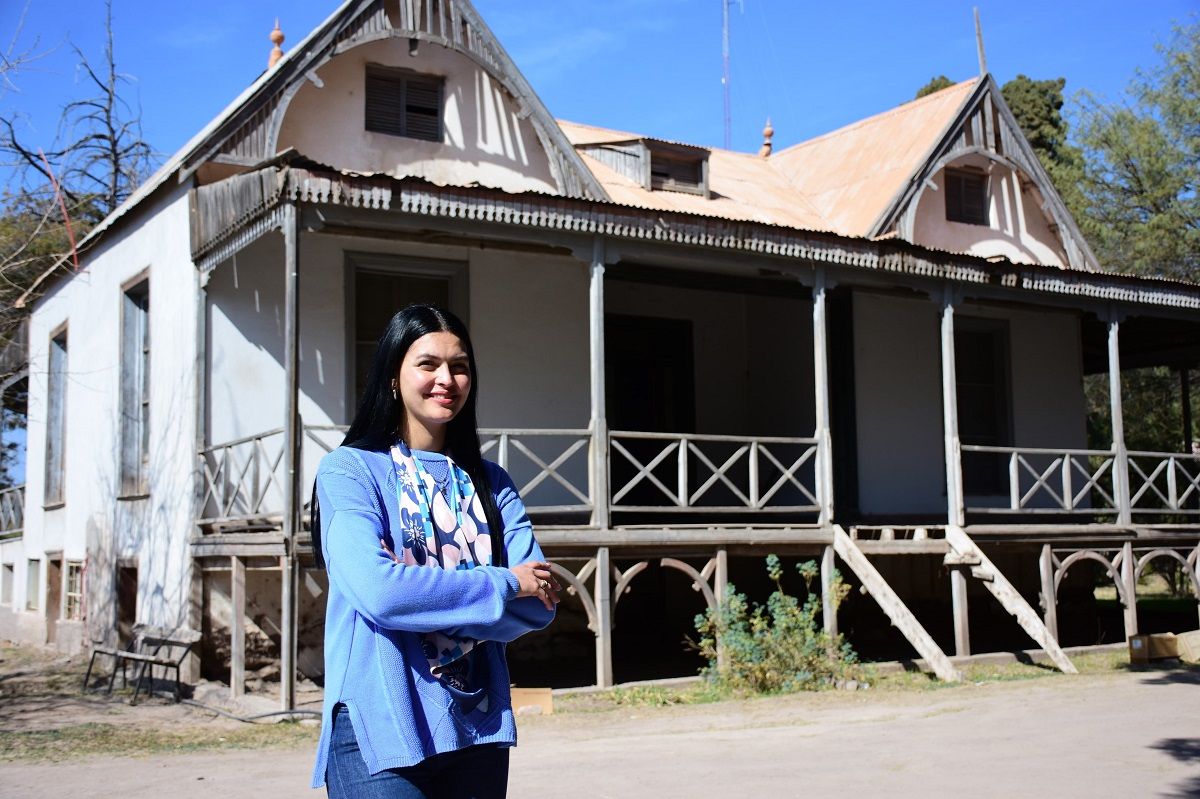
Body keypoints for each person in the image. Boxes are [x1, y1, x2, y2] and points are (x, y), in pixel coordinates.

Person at [310, 304, 559, 798]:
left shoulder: (492, 483)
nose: (446, 378)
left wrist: (422, 595)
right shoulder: (350, 472)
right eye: (428, 364)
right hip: (380, 729)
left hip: (478, 725)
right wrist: (502, 582)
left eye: (460, 366)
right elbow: (381, 593)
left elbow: (539, 604)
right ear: (393, 377)